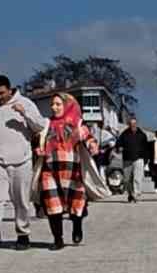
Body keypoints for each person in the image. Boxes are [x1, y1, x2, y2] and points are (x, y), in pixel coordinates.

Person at [0, 75, 47, 254]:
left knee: (21, 200)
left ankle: (23, 234)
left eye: (2, 93)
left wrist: (24, 113)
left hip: (22, 161)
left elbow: (40, 126)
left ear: (10, 89)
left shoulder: (26, 103)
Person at [32, 93, 108, 250]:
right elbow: (37, 140)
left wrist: (92, 145)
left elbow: (88, 136)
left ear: (67, 105)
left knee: (76, 203)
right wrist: (37, 149)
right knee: (53, 205)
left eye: (58, 104)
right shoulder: (47, 124)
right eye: (53, 104)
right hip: (50, 171)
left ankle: (77, 226)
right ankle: (57, 239)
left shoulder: (77, 123)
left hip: (72, 171)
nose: (54, 107)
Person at [116, 117, 149, 203]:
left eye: (134, 124)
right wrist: (119, 147)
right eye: (131, 124)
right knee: (127, 179)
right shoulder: (124, 134)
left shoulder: (142, 135)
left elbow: (146, 148)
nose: (132, 125)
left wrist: (146, 159)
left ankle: (137, 195)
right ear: (128, 124)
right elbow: (118, 143)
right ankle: (131, 194)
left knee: (137, 178)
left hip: (139, 158)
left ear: (136, 124)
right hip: (127, 159)